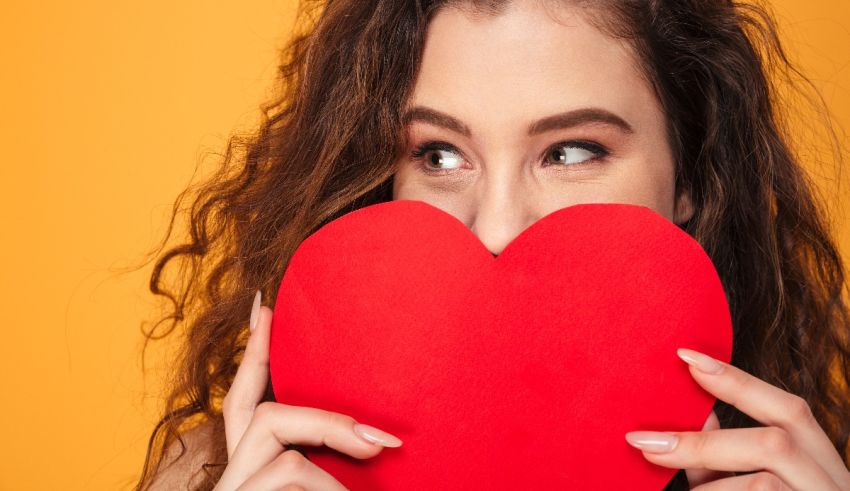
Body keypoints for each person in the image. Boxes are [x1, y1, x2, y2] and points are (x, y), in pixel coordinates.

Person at [134, 0, 850, 489]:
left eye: (571, 150)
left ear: (691, 175)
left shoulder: (798, 474)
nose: (498, 228)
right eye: (439, 155)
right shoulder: (214, 473)